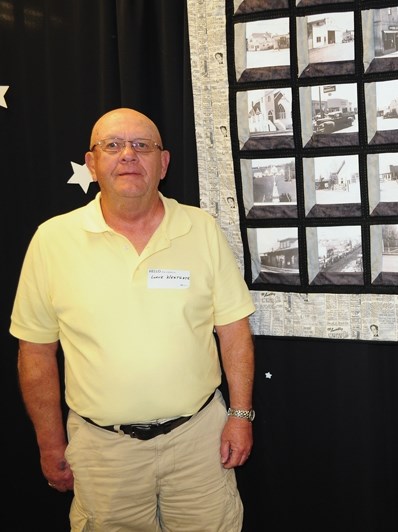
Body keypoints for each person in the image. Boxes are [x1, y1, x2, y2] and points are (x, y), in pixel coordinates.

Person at [10, 108, 257, 531]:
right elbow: (35, 352)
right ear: (92, 163)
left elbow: (233, 332)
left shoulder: (201, 230)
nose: (128, 155)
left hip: (200, 443)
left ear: (163, 163)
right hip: (104, 452)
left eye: (142, 145)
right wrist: (50, 442)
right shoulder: (52, 241)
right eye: (113, 145)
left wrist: (241, 415)